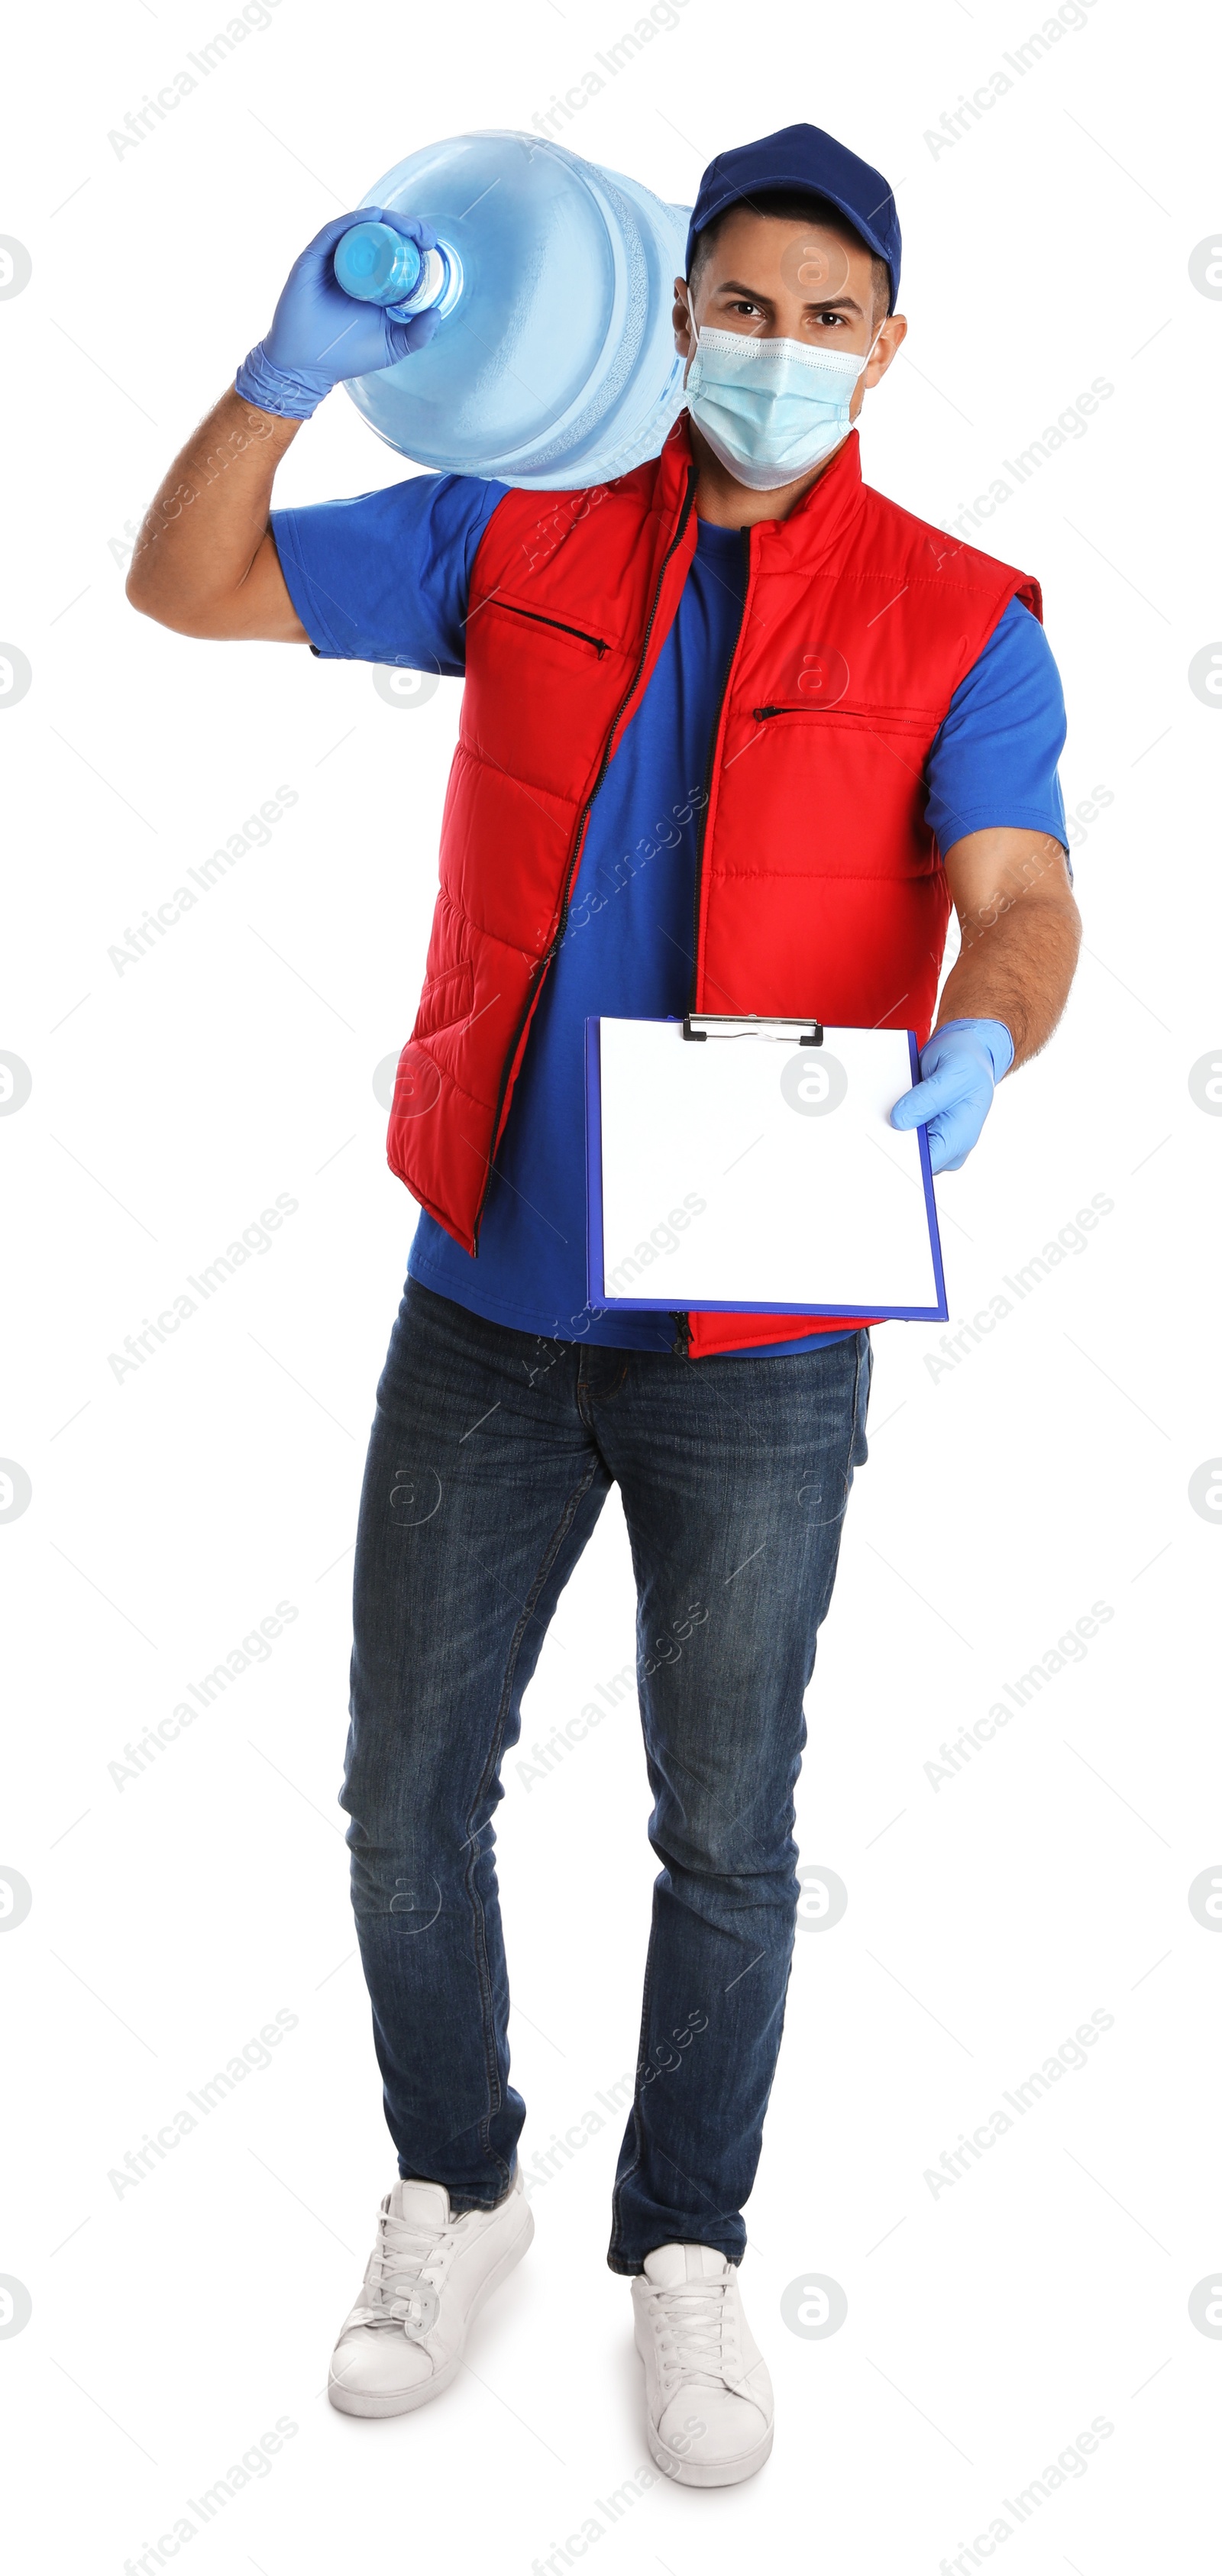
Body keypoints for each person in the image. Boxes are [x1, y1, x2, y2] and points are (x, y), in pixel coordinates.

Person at [126, 121, 1079, 2487]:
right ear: (674, 315)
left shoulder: (965, 614)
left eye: (824, 320)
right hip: (491, 1284)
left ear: (888, 351)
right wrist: (284, 377)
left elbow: (1025, 891)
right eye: (738, 308)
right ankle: (458, 2187)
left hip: (763, 1325)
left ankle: (688, 2250)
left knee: (728, 1825)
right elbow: (188, 588)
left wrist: (988, 1025)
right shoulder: (518, 526)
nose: (778, 352)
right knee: (398, 1805)